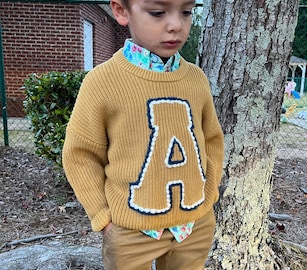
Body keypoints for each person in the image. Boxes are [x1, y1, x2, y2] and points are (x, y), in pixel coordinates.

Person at [62, 0, 224, 269]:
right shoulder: (102, 82)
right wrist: (103, 218)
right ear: (121, 10)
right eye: (158, 12)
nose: (176, 25)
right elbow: (81, 154)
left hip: (194, 228)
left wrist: (208, 198)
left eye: (186, 12)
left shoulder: (196, 79)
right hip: (130, 232)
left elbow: (211, 140)